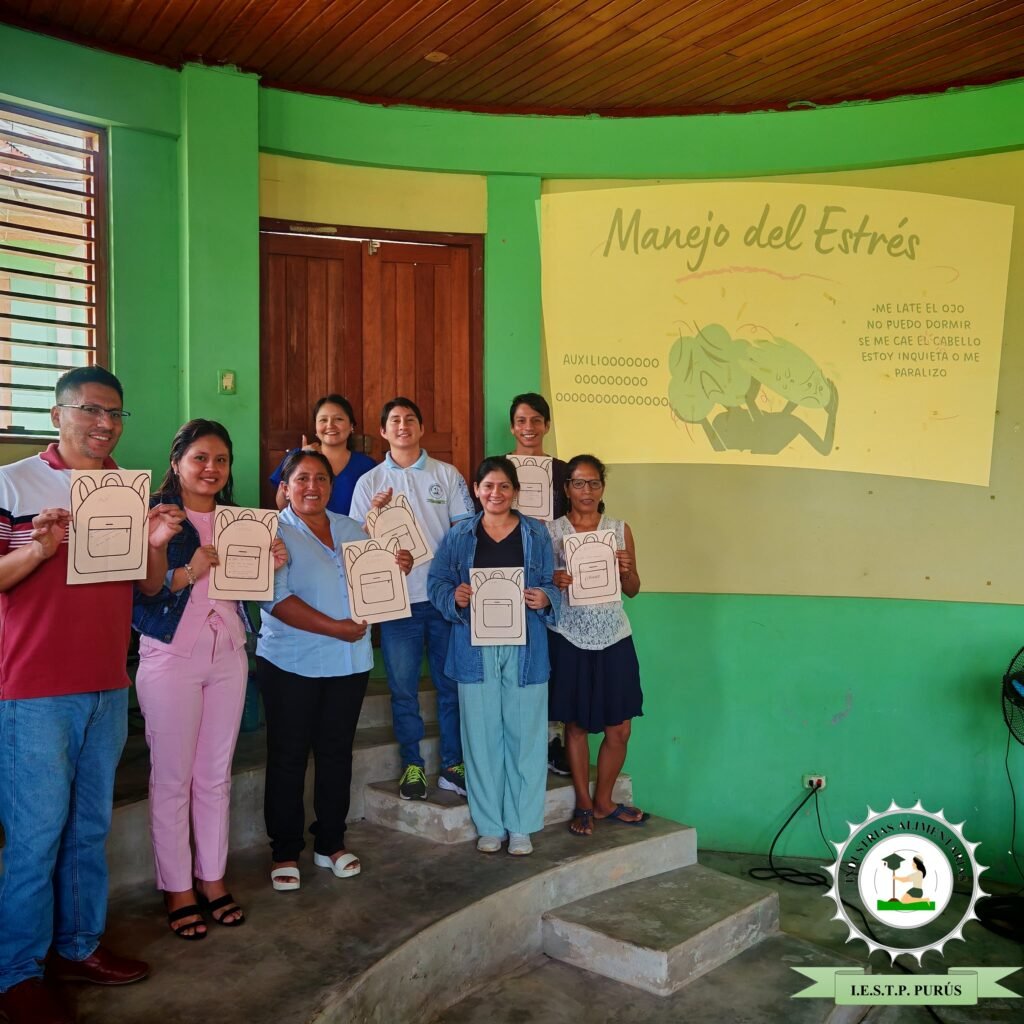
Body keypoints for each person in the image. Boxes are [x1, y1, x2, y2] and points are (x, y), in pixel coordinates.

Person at [0, 366, 183, 1024]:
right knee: (35, 837)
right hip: (34, 689)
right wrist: (37, 550)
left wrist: (155, 543)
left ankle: (77, 946)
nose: (105, 424)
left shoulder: (124, 488)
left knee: (88, 830)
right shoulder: (14, 482)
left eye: (115, 413)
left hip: (107, 684)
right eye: (90, 410)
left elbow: (148, 587)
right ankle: (17, 973)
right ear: (58, 415)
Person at [133, 419, 286, 939]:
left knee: (215, 774)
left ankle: (212, 878)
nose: (211, 468)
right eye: (200, 458)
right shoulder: (156, 514)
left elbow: (246, 589)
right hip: (171, 655)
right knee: (172, 778)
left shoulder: (240, 520)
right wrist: (188, 569)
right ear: (176, 462)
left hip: (229, 655)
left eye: (221, 459)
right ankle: (177, 888)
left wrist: (269, 565)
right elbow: (143, 590)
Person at [258, 450, 412, 891]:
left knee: (336, 753)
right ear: (285, 487)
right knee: (288, 756)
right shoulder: (272, 532)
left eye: (321, 479)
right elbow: (273, 598)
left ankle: (330, 842)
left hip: (349, 662)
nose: (313, 487)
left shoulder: (351, 529)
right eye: (302, 479)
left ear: (331, 485)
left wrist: (397, 568)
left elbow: (372, 584)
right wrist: (335, 628)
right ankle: (285, 849)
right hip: (291, 662)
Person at [428, 456, 559, 856]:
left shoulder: (535, 533)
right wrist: (454, 596)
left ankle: (521, 826)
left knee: (526, 738)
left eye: (504, 486)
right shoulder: (460, 535)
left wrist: (545, 597)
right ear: (476, 490)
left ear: (515, 491)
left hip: (526, 647)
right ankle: (490, 825)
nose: (496, 493)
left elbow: (552, 582)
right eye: (488, 486)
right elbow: (437, 582)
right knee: (481, 738)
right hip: (474, 647)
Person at [349, 398, 475, 801]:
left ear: (421, 428)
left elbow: (463, 533)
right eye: (394, 421)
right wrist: (374, 515)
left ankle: (453, 765)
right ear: (383, 431)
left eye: (410, 420)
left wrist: (456, 586)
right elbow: (356, 546)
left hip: (442, 600)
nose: (402, 426)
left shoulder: (446, 474)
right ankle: (413, 765)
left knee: (450, 686)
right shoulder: (369, 482)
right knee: (403, 689)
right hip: (396, 604)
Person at [546, 454, 648, 837]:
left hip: (615, 637)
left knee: (619, 729)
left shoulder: (619, 530)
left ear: (602, 488)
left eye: (593, 483)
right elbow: (541, 588)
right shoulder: (552, 532)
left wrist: (626, 571)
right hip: (569, 637)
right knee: (575, 727)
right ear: (567, 488)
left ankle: (604, 801)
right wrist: (554, 580)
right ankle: (584, 805)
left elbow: (633, 590)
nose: (586, 491)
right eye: (578, 483)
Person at [507, 392, 571, 776]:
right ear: (512, 427)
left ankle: (553, 741)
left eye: (535, 420)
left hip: (554, 578)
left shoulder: (562, 472)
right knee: (519, 663)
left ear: (546, 425)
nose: (528, 428)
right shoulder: (500, 468)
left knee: (554, 662)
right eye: (521, 421)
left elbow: (577, 520)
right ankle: (520, 741)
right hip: (510, 578)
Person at [269, 394, 375, 516]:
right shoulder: (296, 457)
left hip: (352, 528)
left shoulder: (366, 465)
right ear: (316, 426)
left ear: (351, 426)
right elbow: (282, 506)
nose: (330, 425)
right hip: (303, 528)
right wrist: (302, 461)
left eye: (338, 419)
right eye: (323, 420)